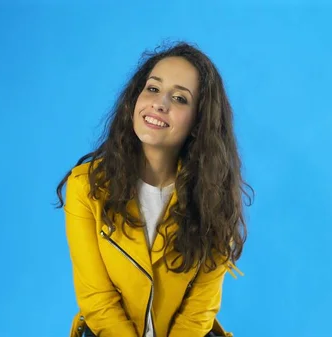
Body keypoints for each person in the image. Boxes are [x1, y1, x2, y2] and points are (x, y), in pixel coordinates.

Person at [55, 41, 253, 337]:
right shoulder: (86, 187)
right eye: (153, 89)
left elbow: (199, 311)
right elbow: (97, 301)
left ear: (200, 121)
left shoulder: (214, 198)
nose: (161, 103)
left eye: (180, 98)